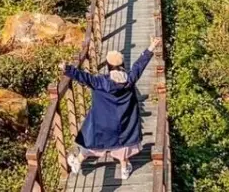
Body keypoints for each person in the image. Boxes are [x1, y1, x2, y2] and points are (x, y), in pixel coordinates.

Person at [60, 37, 162, 180]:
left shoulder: (100, 82)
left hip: (103, 124)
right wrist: (151, 46)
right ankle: (124, 169)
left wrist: (67, 69)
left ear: (108, 65)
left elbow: (83, 77)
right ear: (122, 65)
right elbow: (139, 65)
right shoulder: (130, 79)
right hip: (123, 125)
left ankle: (77, 162)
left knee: (93, 142)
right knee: (123, 144)